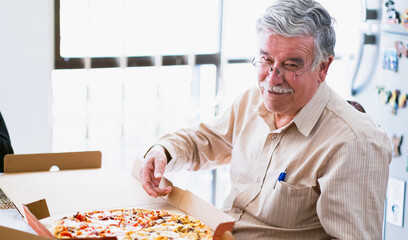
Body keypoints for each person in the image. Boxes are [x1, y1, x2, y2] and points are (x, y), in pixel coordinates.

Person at [140, 0, 392, 239]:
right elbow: (204, 140)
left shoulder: (354, 143)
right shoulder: (251, 101)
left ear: (323, 68)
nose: (272, 79)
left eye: (291, 65)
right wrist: (165, 151)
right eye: (267, 60)